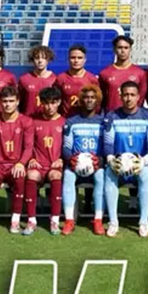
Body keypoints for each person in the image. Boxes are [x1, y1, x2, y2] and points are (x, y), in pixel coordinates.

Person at [102, 82, 148, 237]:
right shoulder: (112, 117)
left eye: (132, 95)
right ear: (120, 96)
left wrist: (144, 161)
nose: (129, 98)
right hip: (119, 163)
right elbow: (107, 143)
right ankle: (113, 221)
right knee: (109, 172)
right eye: (125, 94)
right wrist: (111, 159)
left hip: (140, 163)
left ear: (138, 97)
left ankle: (143, 221)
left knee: (146, 174)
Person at [0, 85, 33, 233]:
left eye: (11, 101)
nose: (7, 104)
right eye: (4, 101)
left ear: (17, 102)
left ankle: (15, 220)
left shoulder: (26, 121)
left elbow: (28, 147)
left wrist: (21, 164)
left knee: (21, 175)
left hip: (15, 164)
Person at [61, 85, 106, 235]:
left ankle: (98, 219)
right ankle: (69, 220)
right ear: (81, 100)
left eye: (92, 98)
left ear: (97, 100)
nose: (89, 100)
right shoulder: (72, 121)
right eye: (86, 97)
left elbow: (107, 145)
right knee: (67, 176)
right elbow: (66, 146)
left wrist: (100, 160)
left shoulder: (103, 122)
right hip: (76, 164)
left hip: (96, 164)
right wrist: (70, 158)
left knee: (101, 177)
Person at [27, 87, 66, 235]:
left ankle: (54, 220)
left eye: (53, 103)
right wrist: (31, 158)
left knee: (56, 176)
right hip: (38, 164)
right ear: (41, 103)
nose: (50, 107)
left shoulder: (64, 122)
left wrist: (62, 159)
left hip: (54, 165)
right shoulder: (33, 122)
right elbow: (28, 144)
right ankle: (32, 220)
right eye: (46, 103)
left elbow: (68, 146)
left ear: (59, 102)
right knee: (31, 175)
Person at [98, 35, 147, 112]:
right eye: (120, 47)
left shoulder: (140, 73)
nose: (123, 51)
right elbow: (102, 99)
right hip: (112, 116)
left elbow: (141, 98)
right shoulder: (105, 73)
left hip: (133, 117)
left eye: (126, 48)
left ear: (130, 49)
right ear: (114, 49)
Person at [54, 44, 98, 117]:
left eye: (80, 58)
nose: (76, 61)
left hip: (86, 120)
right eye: (73, 57)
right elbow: (55, 101)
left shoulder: (92, 79)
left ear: (85, 60)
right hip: (66, 119)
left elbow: (97, 102)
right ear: (68, 59)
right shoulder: (61, 78)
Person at [19, 45, 58, 118]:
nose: (40, 61)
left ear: (48, 60)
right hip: (29, 119)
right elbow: (19, 102)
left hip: (47, 120)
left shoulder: (55, 80)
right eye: (37, 58)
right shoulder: (24, 79)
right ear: (32, 60)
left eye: (43, 58)